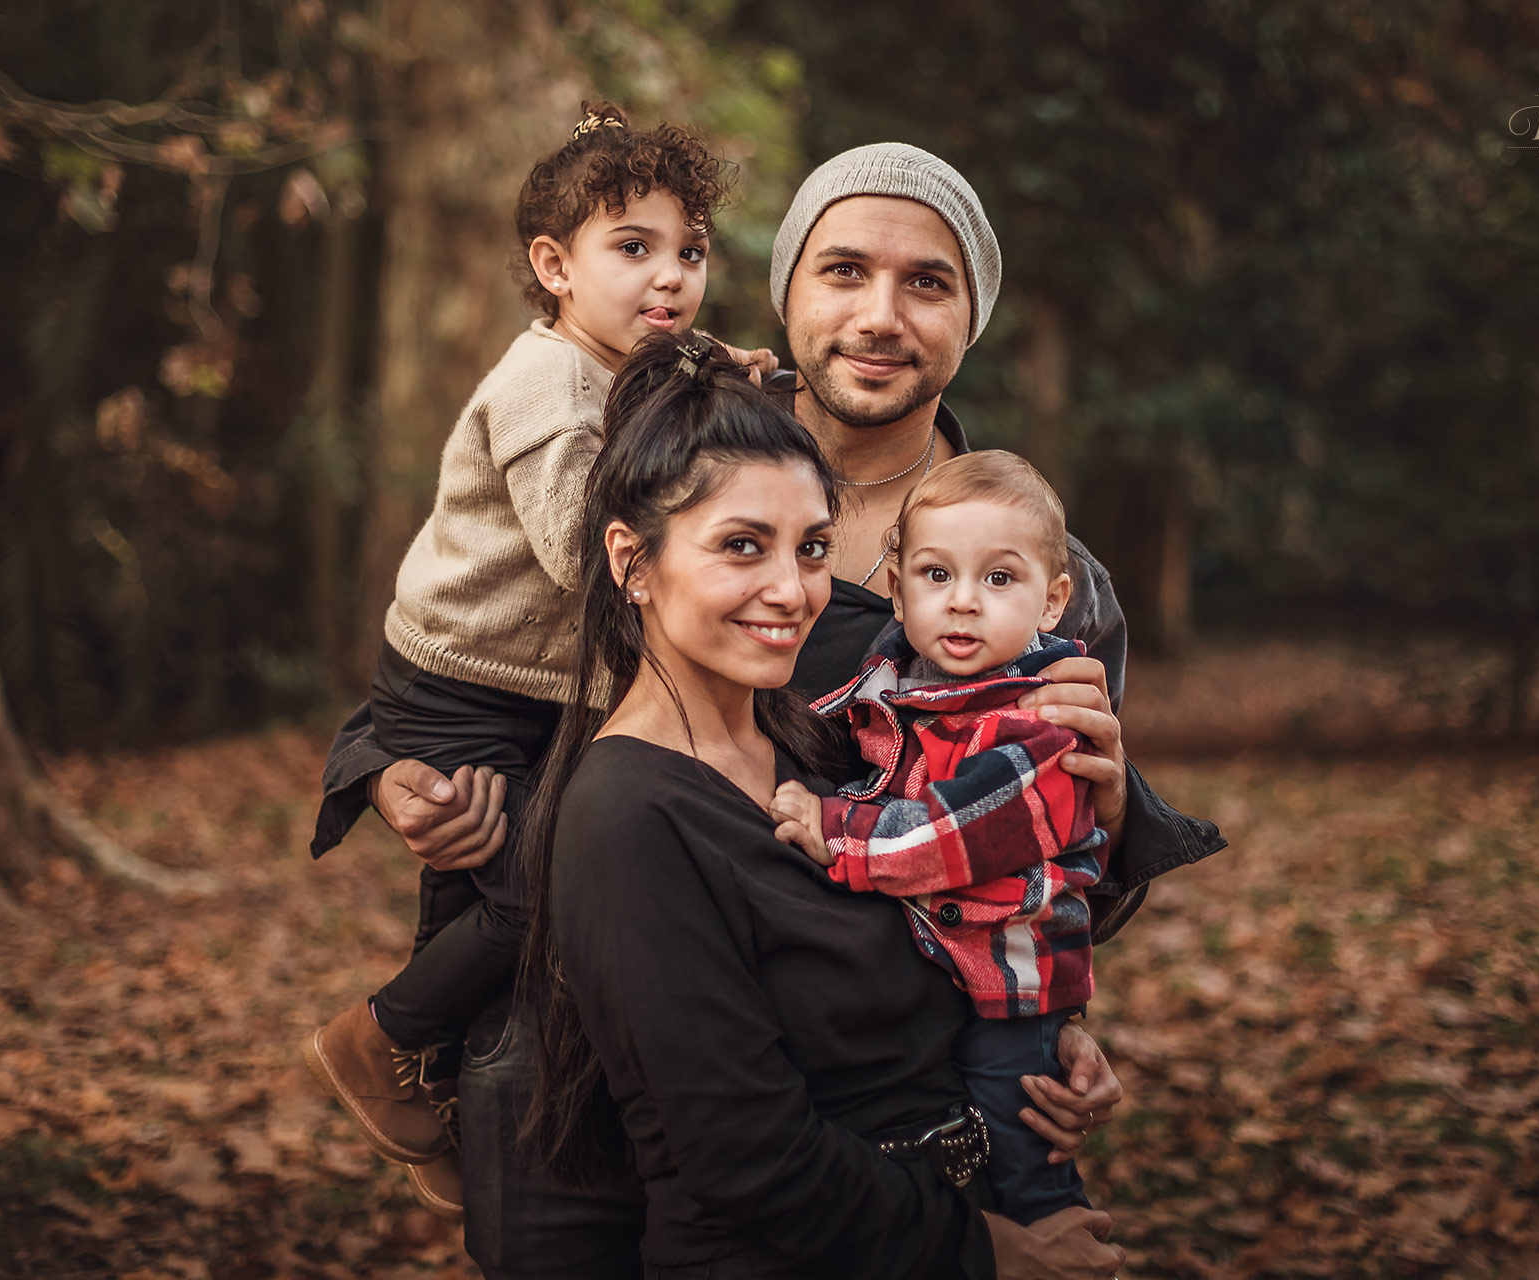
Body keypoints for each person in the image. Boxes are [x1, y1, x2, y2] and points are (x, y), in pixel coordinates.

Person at [311, 140, 1221, 1272]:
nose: (880, 315)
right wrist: (392, 769)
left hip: (879, 1100)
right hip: (578, 1069)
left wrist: (1045, 1011)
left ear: (970, 317)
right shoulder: (672, 446)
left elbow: (1050, 870)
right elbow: (481, 640)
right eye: (842, 270)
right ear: (787, 289)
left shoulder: (1026, 566)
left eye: (927, 282)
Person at [520, 332, 1126, 1278]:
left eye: (810, 549)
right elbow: (746, 1155)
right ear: (632, 563)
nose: (791, 590)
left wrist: (1041, 1040)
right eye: (741, 548)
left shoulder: (829, 742)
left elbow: (943, 910)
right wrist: (985, 1253)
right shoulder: (626, 818)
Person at [300, 100, 746, 1217]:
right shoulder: (548, 386)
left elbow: (665, 386)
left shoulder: (618, 361)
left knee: (473, 882)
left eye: (690, 250)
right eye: (633, 248)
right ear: (553, 265)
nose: (672, 277)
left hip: (511, 679)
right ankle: (381, 1037)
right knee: (530, 882)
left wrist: (714, 371)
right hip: (462, 676)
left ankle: (430, 1082)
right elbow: (575, 549)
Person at [769, 449, 1117, 1227]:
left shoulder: (1048, 724)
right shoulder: (891, 681)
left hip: (1003, 999)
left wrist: (835, 831)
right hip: (921, 988)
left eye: (999, 579)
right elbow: (823, 737)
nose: (963, 603)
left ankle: (1058, 1249)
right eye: (935, 575)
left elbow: (947, 839)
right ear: (895, 588)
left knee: (1022, 1161)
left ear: (1052, 601)